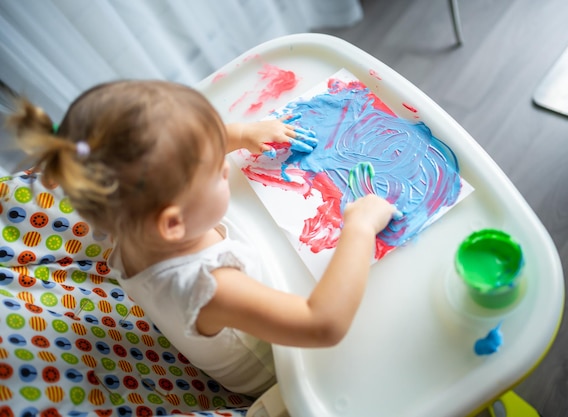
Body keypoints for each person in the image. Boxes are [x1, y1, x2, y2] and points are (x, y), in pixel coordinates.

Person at [5, 80, 397, 396]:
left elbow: (168, 152)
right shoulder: (211, 284)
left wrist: (242, 133)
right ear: (173, 223)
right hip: (282, 366)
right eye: (217, 172)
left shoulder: (121, 215)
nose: (226, 168)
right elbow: (322, 324)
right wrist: (359, 229)